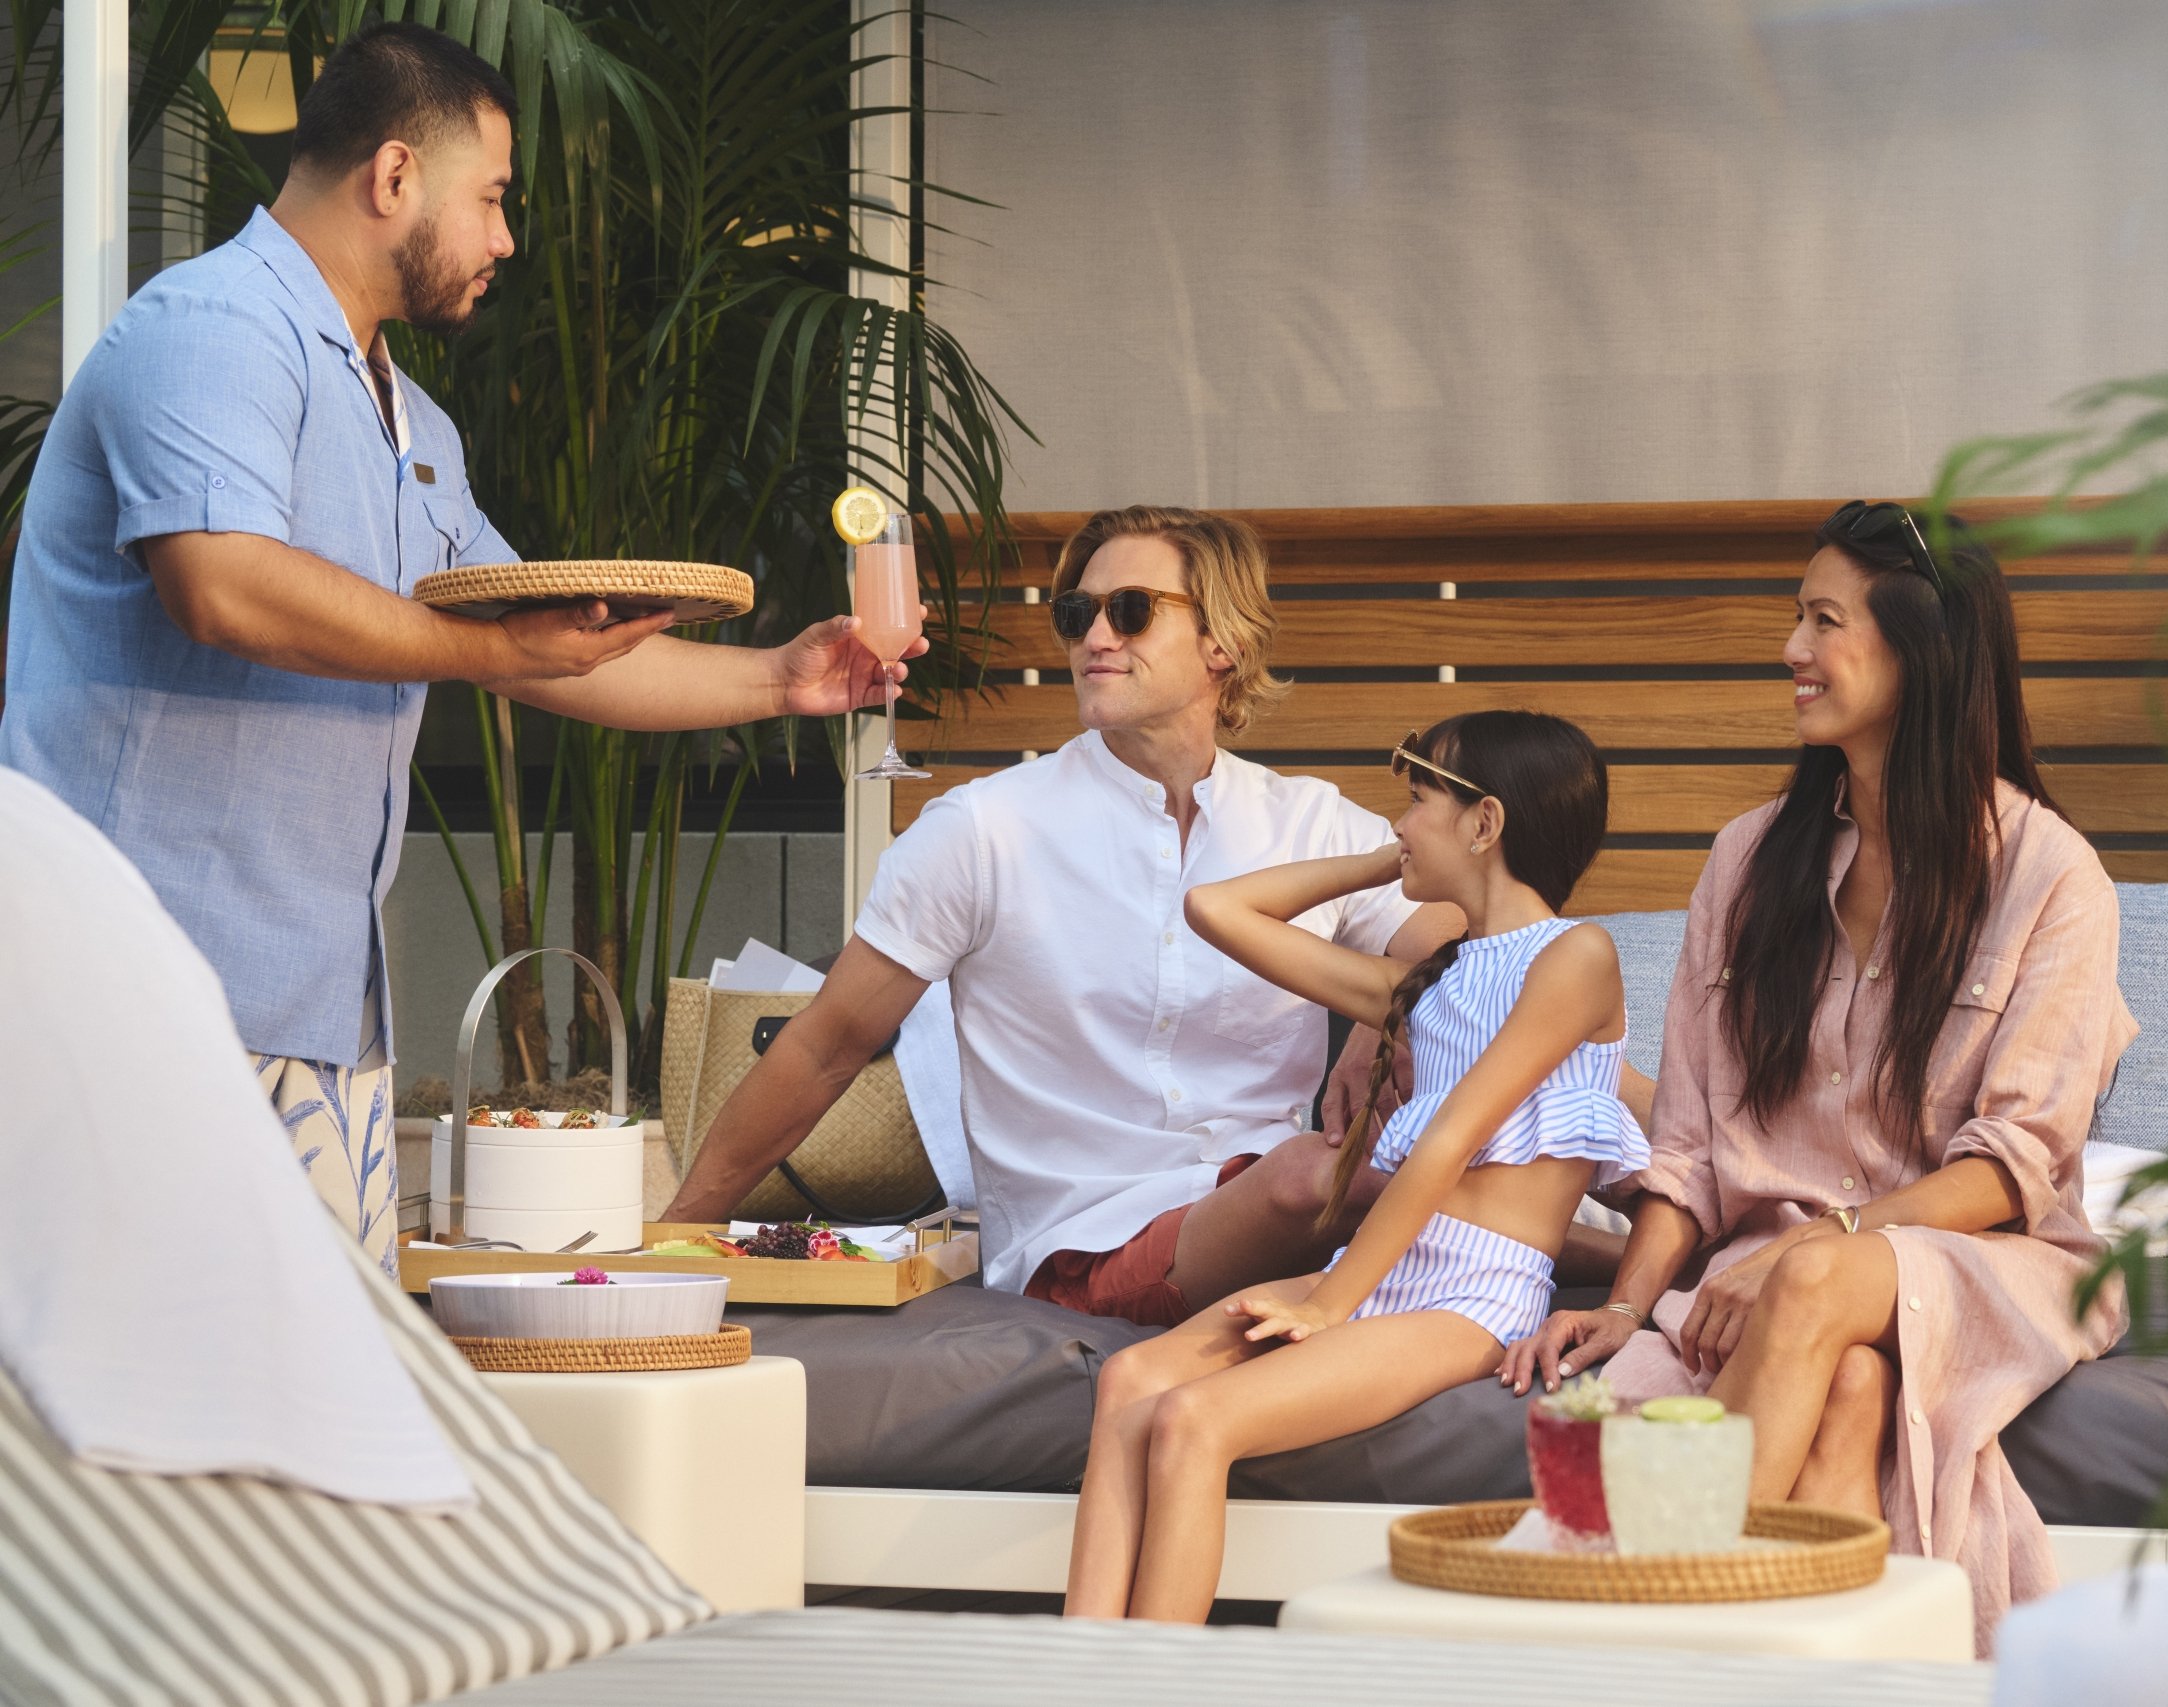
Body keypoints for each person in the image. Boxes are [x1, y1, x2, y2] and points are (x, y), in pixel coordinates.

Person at [0, 23, 918, 1270]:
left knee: (315, 1430)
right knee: (123, 1435)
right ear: (392, 178)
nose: (505, 238)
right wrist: (492, 656)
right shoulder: (212, 328)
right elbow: (223, 586)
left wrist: (777, 679)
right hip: (138, 993)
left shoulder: (412, 418)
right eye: (489, 197)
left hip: (320, 1016)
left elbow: (544, 644)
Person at [1497, 501, 2137, 1652]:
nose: (1791, 649)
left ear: (1918, 648)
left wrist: (1820, 1241)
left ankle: (1652, 1648)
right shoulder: (1749, 861)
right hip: (1785, 1287)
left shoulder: (2053, 874)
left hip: (1989, 1263)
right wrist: (1629, 1305)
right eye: (1796, 616)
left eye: (1823, 620)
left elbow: (2014, 1164)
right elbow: (1684, 1147)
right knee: (1845, 1393)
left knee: (1807, 1290)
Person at [664, 505, 1463, 1321]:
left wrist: (1386, 1012)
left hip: (1267, 1191)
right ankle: (1581, 1247)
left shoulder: (1309, 822)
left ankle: (1591, 1260)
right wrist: (671, 1238)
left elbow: (1461, 931)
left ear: (1223, 642)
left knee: (1420, 1135)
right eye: (1077, 615)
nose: (1096, 639)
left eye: (1132, 611)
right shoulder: (983, 830)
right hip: (1085, 1241)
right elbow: (825, 1048)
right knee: (1322, 1175)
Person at [1064, 711, 1646, 1622]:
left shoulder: (1577, 956)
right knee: (1132, 1382)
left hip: (1470, 1296)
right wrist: (1393, 864)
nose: (1398, 823)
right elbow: (1217, 910)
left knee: (1193, 1420)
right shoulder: (1433, 982)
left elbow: (1451, 1139)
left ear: (1486, 824)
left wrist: (1326, 1304)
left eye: (1416, 801)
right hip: (1386, 1268)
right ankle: (1074, 1677)